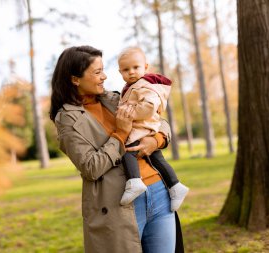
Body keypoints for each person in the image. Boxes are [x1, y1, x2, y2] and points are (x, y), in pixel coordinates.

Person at [50, 45, 184, 253]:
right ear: (75, 79)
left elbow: (159, 121)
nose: (104, 76)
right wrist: (120, 135)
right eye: (97, 72)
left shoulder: (114, 99)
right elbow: (91, 167)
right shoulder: (68, 119)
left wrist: (156, 140)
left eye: (103, 70)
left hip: (159, 192)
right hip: (120, 203)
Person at [117, 46, 189, 210]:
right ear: (120, 72)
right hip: (144, 126)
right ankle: (175, 186)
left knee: (127, 151)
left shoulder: (145, 85)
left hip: (142, 126)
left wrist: (129, 114)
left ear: (146, 67)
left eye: (136, 67)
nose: (132, 72)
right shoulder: (132, 86)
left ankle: (134, 181)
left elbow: (149, 106)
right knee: (157, 158)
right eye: (126, 69)